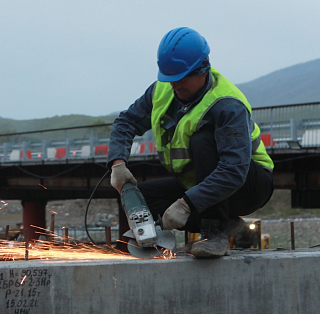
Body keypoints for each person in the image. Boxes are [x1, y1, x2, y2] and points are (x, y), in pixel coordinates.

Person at [108, 27, 274, 257]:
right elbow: (126, 121)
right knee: (140, 197)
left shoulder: (227, 105)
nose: (175, 85)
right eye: (169, 77)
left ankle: (214, 232)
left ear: (202, 69)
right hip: (199, 181)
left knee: (202, 139)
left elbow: (233, 171)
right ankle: (223, 224)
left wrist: (186, 203)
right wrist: (118, 163)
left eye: (181, 77)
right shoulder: (162, 90)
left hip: (247, 185)